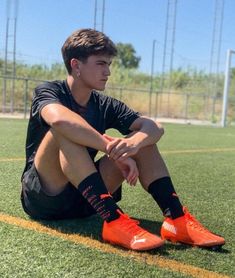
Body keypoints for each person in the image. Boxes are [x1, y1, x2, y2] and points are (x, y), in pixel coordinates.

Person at [21, 28, 225, 251]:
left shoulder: (105, 104)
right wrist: (110, 148)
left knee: (141, 139)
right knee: (64, 130)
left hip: (86, 199)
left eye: (109, 64)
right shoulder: (49, 91)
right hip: (45, 197)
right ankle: (114, 221)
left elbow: (154, 127)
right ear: (76, 65)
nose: (107, 71)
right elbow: (59, 120)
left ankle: (176, 219)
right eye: (100, 63)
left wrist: (132, 145)